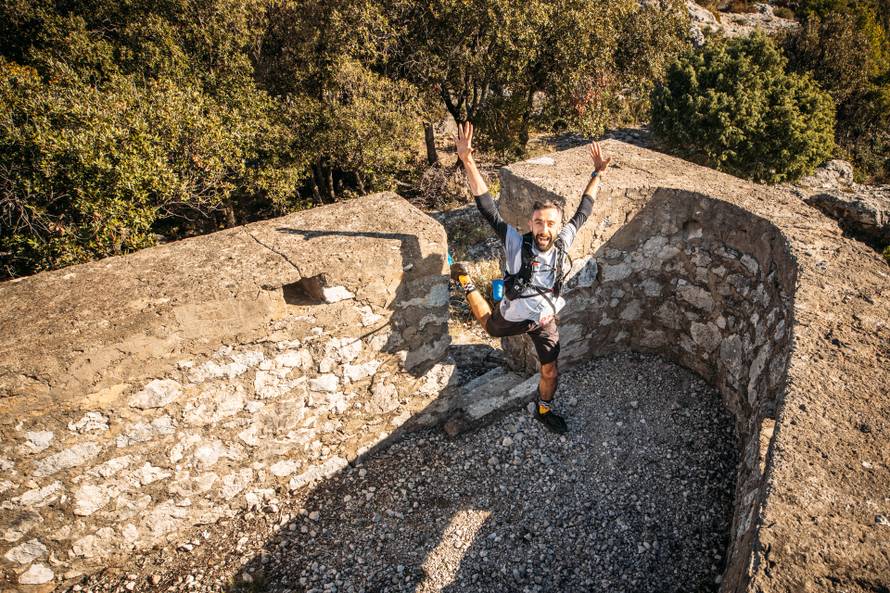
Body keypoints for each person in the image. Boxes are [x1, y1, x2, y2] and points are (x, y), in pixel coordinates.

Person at [450, 121, 611, 434]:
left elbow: (584, 209)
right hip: (512, 313)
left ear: (557, 225)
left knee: (550, 371)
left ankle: (543, 408)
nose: (545, 229)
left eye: (550, 223)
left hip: (544, 321)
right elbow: (487, 207)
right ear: (530, 223)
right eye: (539, 222)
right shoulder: (515, 241)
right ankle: (467, 284)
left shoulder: (563, 239)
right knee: (489, 327)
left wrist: (598, 173)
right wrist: (467, 159)